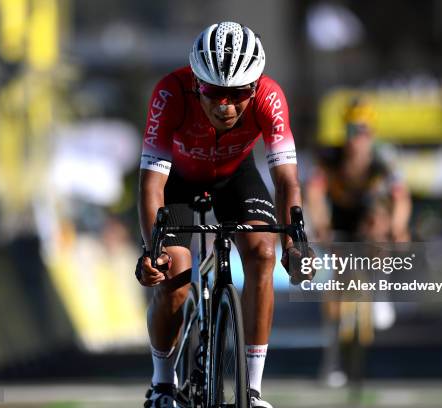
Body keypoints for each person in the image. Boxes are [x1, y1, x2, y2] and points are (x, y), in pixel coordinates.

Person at [136, 22, 312, 408]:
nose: (225, 106)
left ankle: (253, 390)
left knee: (263, 255)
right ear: (197, 83)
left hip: (236, 175)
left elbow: (286, 181)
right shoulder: (170, 92)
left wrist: (295, 243)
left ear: (256, 86)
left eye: (238, 94)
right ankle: (162, 384)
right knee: (175, 278)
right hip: (177, 182)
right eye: (214, 92)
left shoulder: (270, 96)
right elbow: (152, 186)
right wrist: (154, 251)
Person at [305, 98, 410, 387]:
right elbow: (313, 194)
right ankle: (333, 358)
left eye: (362, 132)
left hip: (369, 216)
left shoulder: (382, 159)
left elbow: (400, 197)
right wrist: (320, 225)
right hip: (339, 219)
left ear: (371, 134)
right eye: (352, 131)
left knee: (380, 223)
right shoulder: (330, 156)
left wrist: (399, 228)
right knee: (338, 288)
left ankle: (380, 290)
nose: (356, 139)